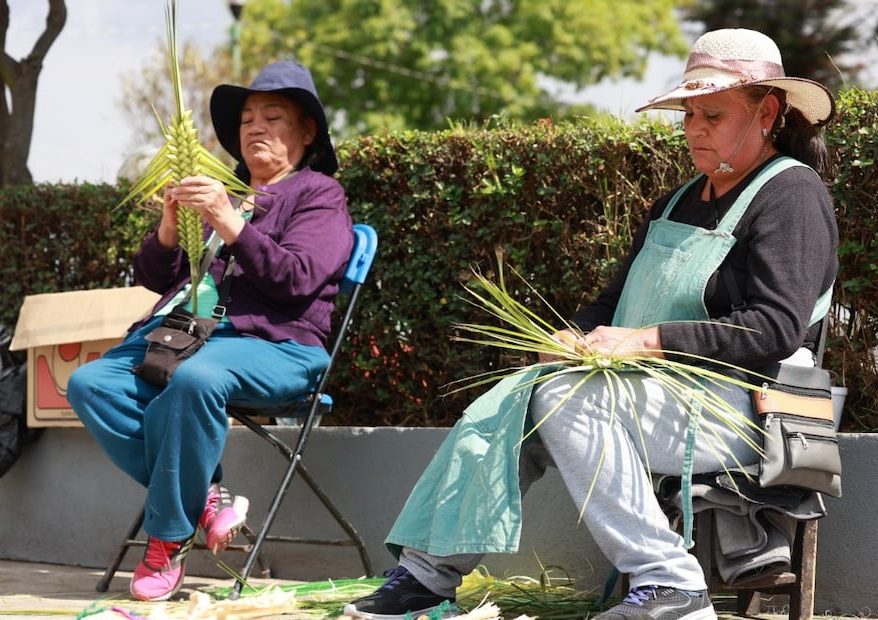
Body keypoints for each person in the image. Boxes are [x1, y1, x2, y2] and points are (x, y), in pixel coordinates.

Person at [344, 28, 838, 620]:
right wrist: (576, 336)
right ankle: (428, 573)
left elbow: (773, 329)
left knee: (565, 399)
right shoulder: (678, 201)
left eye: (712, 113)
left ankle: (669, 585)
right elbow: (611, 303)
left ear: (768, 113)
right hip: (668, 395)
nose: (694, 128)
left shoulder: (792, 194)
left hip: (754, 408)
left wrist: (648, 339)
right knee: (512, 399)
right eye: (688, 114)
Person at [67, 61, 354, 602]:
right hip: (183, 339)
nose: (255, 128)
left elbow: (297, 280)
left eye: (273, 116)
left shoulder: (318, 195)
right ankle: (206, 499)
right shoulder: (226, 192)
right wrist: (170, 230)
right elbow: (156, 278)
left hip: (277, 347)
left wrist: (231, 223)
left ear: (306, 131)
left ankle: (167, 540)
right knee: (90, 384)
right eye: (246, 119)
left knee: (197, 381)